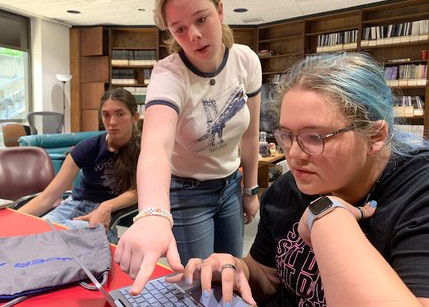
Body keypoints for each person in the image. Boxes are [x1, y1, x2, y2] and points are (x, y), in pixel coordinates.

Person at [171, 52, 429, 307]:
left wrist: (327, 216)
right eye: (287, 135)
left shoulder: (418, 193)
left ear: (375, 136)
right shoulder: (287, 188)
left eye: (315, 137)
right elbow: (268, 276)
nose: (293, 154)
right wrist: (235, 270)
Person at [115, 0, 262, 292]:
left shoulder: (246, 60)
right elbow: (156, 147)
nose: (193, 35)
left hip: (230, 187)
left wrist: (251, 189)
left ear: (220, 11)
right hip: (187, 192)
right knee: (198, 284)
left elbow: (250, 136)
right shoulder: (169, 75)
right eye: (179, 28)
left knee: (229, 272)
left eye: (201, 19)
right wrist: (153, 213)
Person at [18, 88, 140, 244]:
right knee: (40, 230)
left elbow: (138, 191)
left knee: (70, 236)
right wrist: (14, 221)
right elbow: (48, 197)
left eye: (120, 114)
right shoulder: (88, 147)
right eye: (106, 115)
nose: (112, 122)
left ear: (134, 117)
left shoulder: (143, 149)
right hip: (74, 204)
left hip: (107, 210)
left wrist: (106, 206)